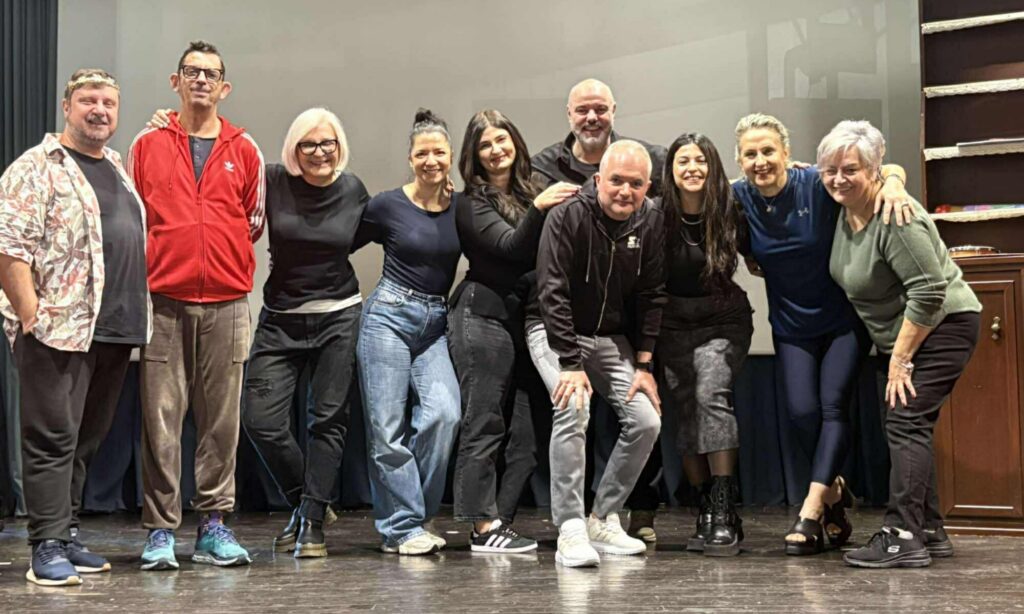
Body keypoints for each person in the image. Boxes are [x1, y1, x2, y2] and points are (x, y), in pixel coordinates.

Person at [732, 113, 912, 555]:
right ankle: (835, 494)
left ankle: (812, 510)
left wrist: (894, 183)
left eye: (768, 150)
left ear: (787, 153)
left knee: (832, 407)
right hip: (790, 326)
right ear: (739, 160)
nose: (760, 161)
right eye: (750, 154)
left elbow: (882, 167)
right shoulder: (737, 198)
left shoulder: (816, 182)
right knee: (801, 413)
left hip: (842, 321)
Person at [0, 68, 150, 586]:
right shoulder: (35, 167)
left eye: (109, 102)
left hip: (113, 327)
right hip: (57, 327)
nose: (99, 110)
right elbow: (9, 247)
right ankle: (44, 546)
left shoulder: (116, 166)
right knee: (51, 437)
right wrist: (31, 315)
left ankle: (66, 535)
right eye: (88, 100)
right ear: (67, 107)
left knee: (86, 440)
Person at [128, 40, 265, 570]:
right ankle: (161, 530)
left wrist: (219, 257)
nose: (201, 80)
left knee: (221, 424)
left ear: (224, 87)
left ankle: (213, 526)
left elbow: (253, 221)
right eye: (192, 71)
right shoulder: (147, 143)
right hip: (162, 302)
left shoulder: (244, 148)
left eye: (211, 73)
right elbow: (135, 216)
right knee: (160, 421)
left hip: (227, 304)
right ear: (176, 82)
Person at [818, 121, 981, 568]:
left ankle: (902, 535)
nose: (838, 178)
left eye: (850, 169)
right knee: (907, 424)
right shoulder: (846, 204)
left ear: (873, 171)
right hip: (905, 336)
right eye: (830, 170)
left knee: (906, 422)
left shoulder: (896, 217)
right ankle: (928, 529)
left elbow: (929, 291)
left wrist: (902, 359)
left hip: (943, 326)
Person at [531, 78, 668, 540]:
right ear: (597, 180)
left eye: (635, 184)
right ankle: (570, 526)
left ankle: (603, 517)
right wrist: (570, 363)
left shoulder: (651, 219)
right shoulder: (566, 214)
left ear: (648, 186)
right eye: (616, 181)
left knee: (646, 419)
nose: (625, 191)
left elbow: (653, 293)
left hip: (609, 337)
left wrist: (644, 366)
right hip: (553, 332)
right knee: (573, 407)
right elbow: (551, 292)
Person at [449, 109, 578, 552]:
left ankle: (499, 521)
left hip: (526, 324)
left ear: (516, 143)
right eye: (485, 144)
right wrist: (540, 208)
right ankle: (481, 527)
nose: (495, 150)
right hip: (481, 318)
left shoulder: (533, 189)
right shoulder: (470, 203)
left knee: (526, 437)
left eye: (501, 140)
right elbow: (510, 247)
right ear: (473, 155)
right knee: (484, 422)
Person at [354, 109, 462, 556]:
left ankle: (416, 514)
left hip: (435, 323)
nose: (431, 161)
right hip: (388, 318)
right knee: (387, 428)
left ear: (451, 156)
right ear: (410, 158)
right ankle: (401, 528)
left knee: (444, 415)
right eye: (422, 154)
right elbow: (340, 244)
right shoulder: (387, 205)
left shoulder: (460, 207)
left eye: (439, 153)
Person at [656, 133, 753, 556]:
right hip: (672, 322)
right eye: (683, 161)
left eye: (701, 160)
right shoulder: (655, 213)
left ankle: (725, 509)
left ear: (713, 167)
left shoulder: (731, 208)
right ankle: (705, 507)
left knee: (710, 394)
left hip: (722, 318)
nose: (692, 168)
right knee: (686, 410)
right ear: (671, 170)